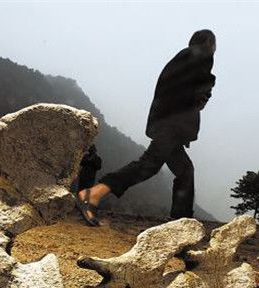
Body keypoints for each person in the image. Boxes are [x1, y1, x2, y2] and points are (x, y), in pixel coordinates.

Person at [76, 29, 217, 226]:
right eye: (214, 44)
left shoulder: (183, 60)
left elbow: (178, 88)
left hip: (169, 125)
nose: (214, 49)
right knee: (148, 165)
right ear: (208, 43)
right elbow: (197, 90)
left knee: (185, 171)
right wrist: (205, 91)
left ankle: (179, 222)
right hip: (171, 125)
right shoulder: (198, 54)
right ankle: (93, 193)